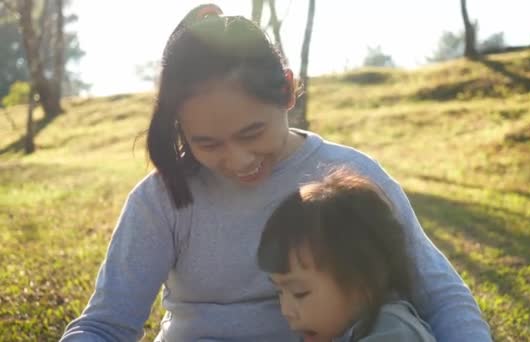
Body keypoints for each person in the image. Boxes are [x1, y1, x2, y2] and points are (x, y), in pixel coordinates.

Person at [61, 3, 491, 341]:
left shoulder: (349, 174)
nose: (238, 159)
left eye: (253, 132)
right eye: (207, 143)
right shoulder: (162, 200)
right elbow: (105, 326)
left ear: (287, 89)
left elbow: (439, 294)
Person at [257, 168, 436, 342]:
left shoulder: (393, 333)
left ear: (363, 281)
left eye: (300, 293)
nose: (286, 310)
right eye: (279, 292)